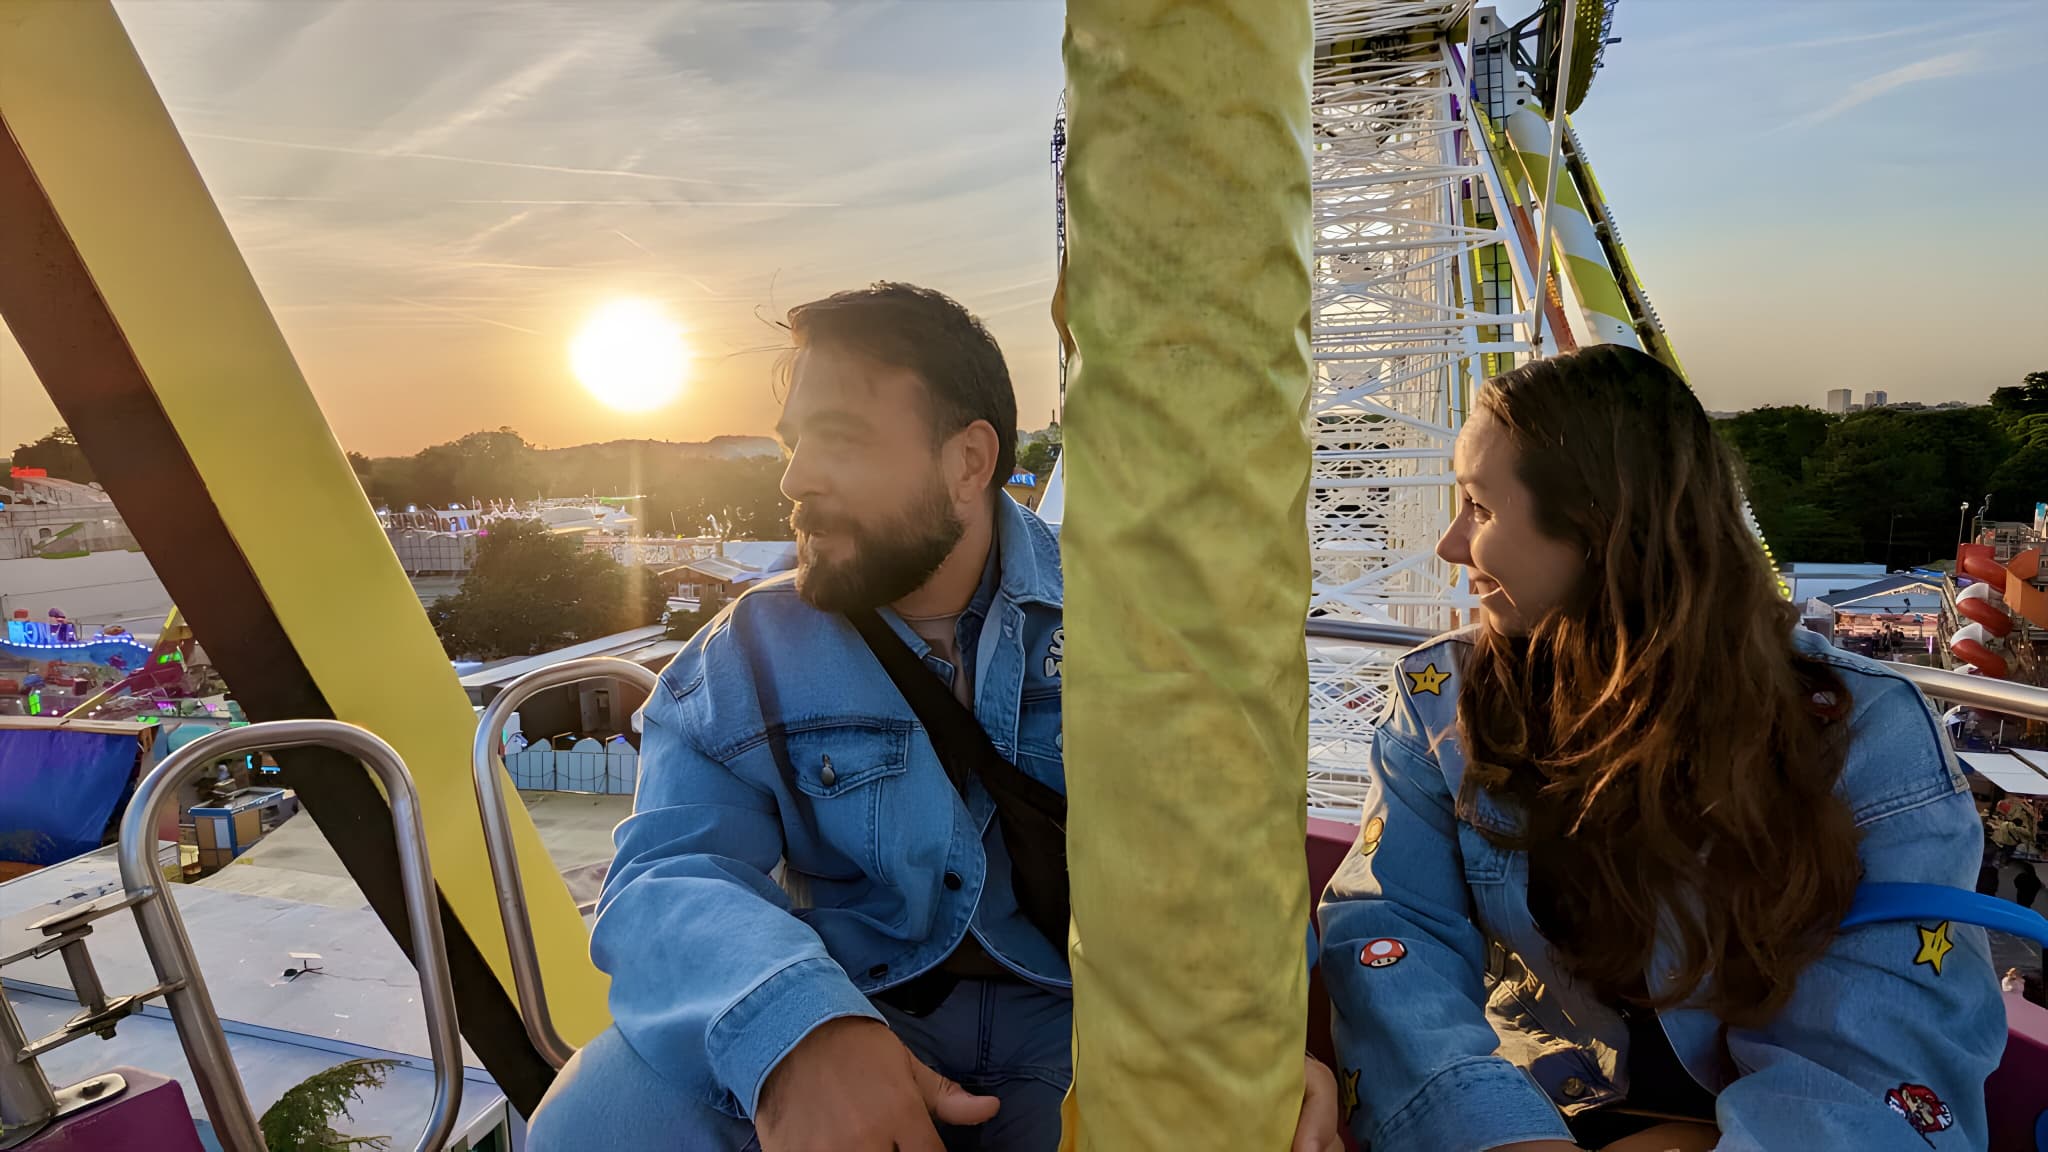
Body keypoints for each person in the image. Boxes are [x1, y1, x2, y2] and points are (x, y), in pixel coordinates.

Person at [528, 283, 1337, 1152]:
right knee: (588, 1127)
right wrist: (797, 1031)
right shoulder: (747, 655)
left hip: (1090, 1020)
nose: (795, 478)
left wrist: (1263, 1045)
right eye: (793, 443)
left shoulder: (1141, 623)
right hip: (852, 997)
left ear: (968, 461)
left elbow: (1229, 861)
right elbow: (667, 876)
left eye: (837, 438)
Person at [1315, 346, 2005, 1151]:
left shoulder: (1863, 729)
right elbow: (1392, 928)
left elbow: (1882, 1043)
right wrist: (1495, 1130)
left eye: (1479, 507)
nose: (1450, 547)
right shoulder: (1441, 704)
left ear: (1602, 528)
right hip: (1538, 1112)